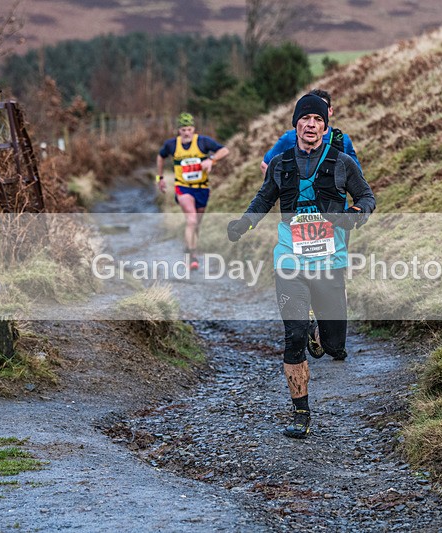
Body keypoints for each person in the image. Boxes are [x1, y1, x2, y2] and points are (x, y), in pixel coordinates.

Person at [228, 94, 375, 439]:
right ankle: (300, 413)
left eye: (317, 120)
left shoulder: (342, 162)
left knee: (336, 344)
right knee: (293, 336)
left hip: (330, 261)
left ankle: (321, 335)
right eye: (304, 119)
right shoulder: (281, 164)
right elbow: (264, 198)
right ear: (295, 125)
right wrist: (243, 223)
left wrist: (357, 215)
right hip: (290, 260)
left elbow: (367, 198)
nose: (311, 125)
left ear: (325, 125)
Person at [157, 112, 229, 270]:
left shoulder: (203, 142)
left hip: (202, 188)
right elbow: (160, 156)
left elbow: (224, 150)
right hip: (183, 188)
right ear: (179, 131)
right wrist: (160, 178)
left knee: (197, 223)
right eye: (183, 130)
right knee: (191, 219)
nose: (186, 133)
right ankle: (191, 256)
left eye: (189, 129)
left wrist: (211, 160)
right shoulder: (172, 145)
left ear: (193, 129)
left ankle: (192, 249)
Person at [259, 88, 361, 175]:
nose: (316, 110)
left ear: (330, 111)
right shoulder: (290, 138)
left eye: (322, 107)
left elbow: (357, 177)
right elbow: (265, 165)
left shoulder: (342, 140)